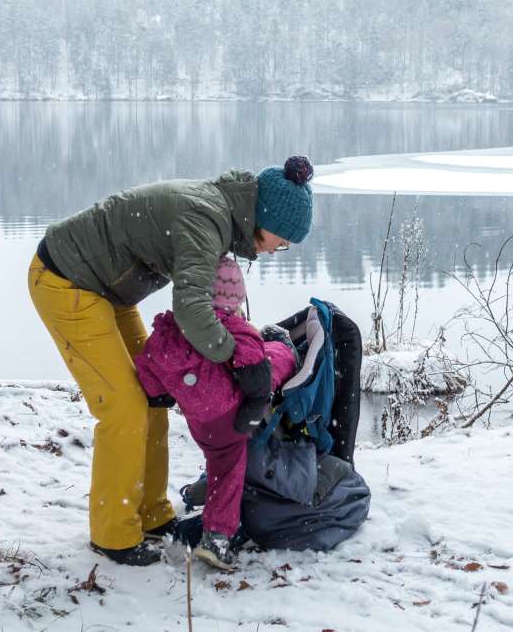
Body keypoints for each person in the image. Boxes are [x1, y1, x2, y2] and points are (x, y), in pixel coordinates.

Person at [27, 157, 314, 566]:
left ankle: (149, 512)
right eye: (281, 241)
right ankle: (113, 533)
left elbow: (199, 313)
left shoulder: (219, 213)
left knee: (152, 398)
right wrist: (241, 361)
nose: (275, 250)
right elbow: (193, 311)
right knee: (124, 408)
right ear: (266, 220)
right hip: (67, 282)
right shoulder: (206, 219)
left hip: (107, 291)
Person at [134, 256, 298, 570]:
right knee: (228, 473)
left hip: (198, 421)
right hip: (230, 419)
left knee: (216, 462)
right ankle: (217, 540)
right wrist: (252, 413)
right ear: (236, 302)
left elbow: (148, 367)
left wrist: (162, 395)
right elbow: (259, 376)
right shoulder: (237, 331)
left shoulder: (169, 335)